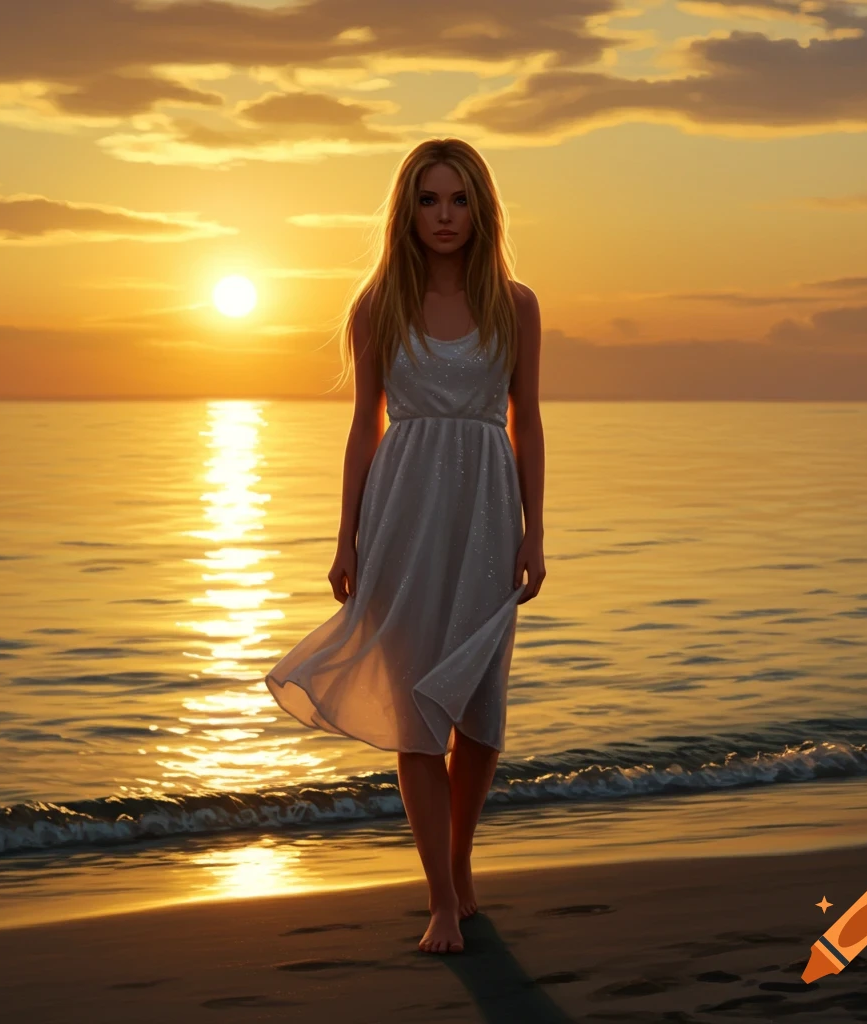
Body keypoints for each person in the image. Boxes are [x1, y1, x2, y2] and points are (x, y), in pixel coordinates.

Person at [265, 137, 546, 955]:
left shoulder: (515, 304)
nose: (445, 216)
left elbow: (526, 421)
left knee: (481, 715)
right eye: (429, 200)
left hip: (487, 514)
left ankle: (459, 863)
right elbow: (363, 428)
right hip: (402, 514)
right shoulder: (375, 306)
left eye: (458, 200)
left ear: (481, 209)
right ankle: (442, 901)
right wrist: (345, 536)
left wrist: (535, 531)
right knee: (418, 713)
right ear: (408, 211)